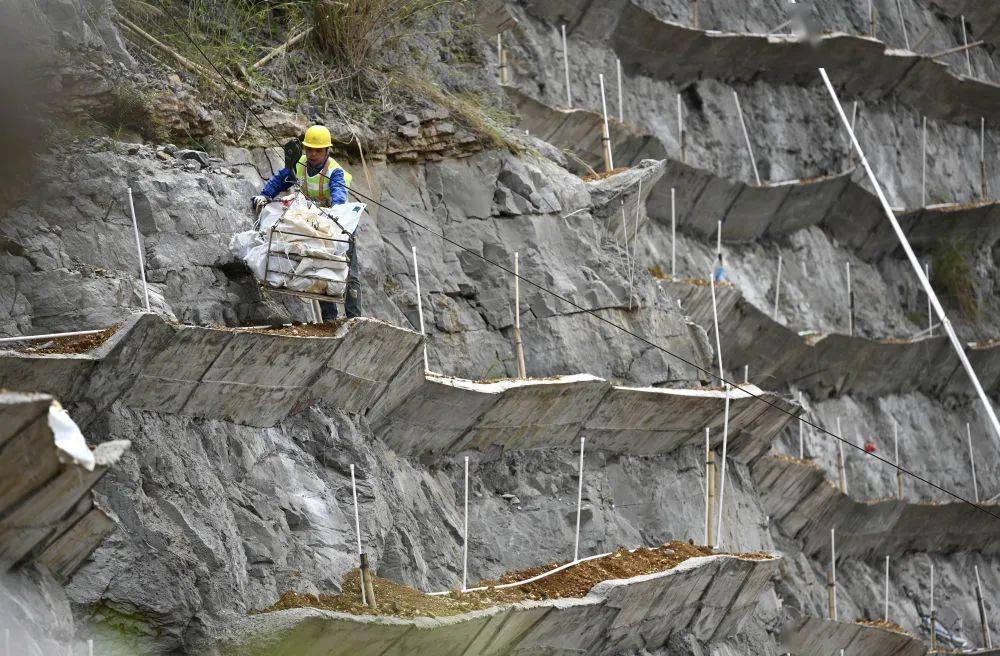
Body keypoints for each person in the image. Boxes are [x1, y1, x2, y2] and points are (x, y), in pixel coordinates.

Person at [251, 125, 361, 319]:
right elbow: (282, 179)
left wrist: (334, 212)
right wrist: (265, 195)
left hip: (338, 226)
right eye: (309, 149)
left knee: (347, 272)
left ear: (327, 150)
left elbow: (339, 195)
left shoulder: (335, 171)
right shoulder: (299, 164)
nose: (312, 154)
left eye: (318, 150)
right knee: (318, 268)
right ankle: (329, 319)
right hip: (313, 223)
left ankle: (354, 317)